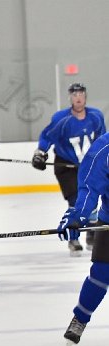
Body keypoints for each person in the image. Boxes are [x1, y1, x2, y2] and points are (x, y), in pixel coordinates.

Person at [32, 82, 106, 256]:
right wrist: (40, 153)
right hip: (67, 166)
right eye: (74, 94)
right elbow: (47, 136)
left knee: (92, 200)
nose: (78, 98)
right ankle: (73, 235)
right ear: (70, 98)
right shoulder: (61, 119)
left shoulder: (96, 116)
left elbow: (103, 139)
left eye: (81, 94)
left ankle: (91, 232)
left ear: (85, 97)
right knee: (75, 199)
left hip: (90, 165)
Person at [57, 130, 109, 346]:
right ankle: (80, 318)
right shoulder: (103, 149)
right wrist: (77, 215)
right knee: (100, 275)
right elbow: (89, 187)